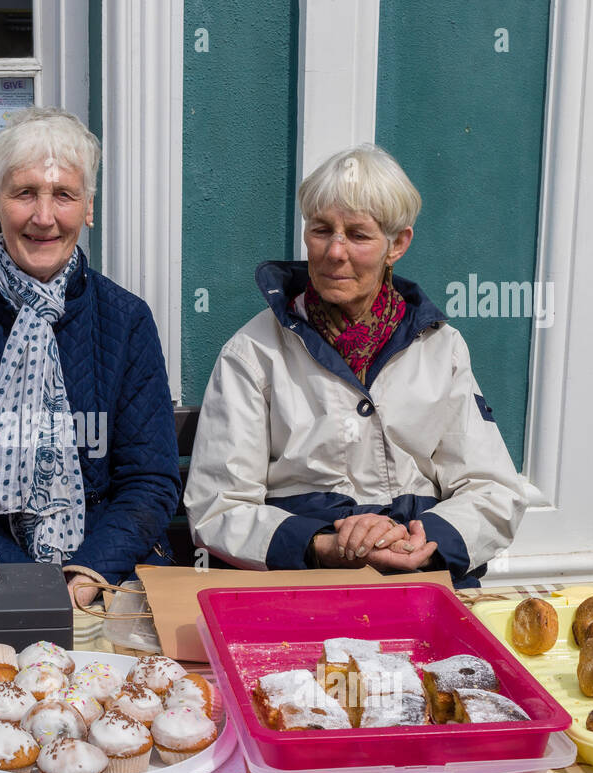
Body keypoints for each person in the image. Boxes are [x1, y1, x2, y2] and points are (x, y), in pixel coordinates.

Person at [184, 144, 525, 587]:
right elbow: (218, 507)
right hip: (304, 580)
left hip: (421, 574)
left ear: (397, 244)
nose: (335, 251)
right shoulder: (253, 351)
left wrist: (421, 541)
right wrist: (323, 545)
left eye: (359, 235)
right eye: (322, 229)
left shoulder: (442, 347)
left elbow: (493, 490)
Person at [0, 107, 180, 607]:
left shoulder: (127, 319)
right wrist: (26, 582)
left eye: (64, 195)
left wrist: (87, 571)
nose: (44, 217)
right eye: (24, 193)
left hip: (107, 574)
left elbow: (149, 480)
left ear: (89, 207)